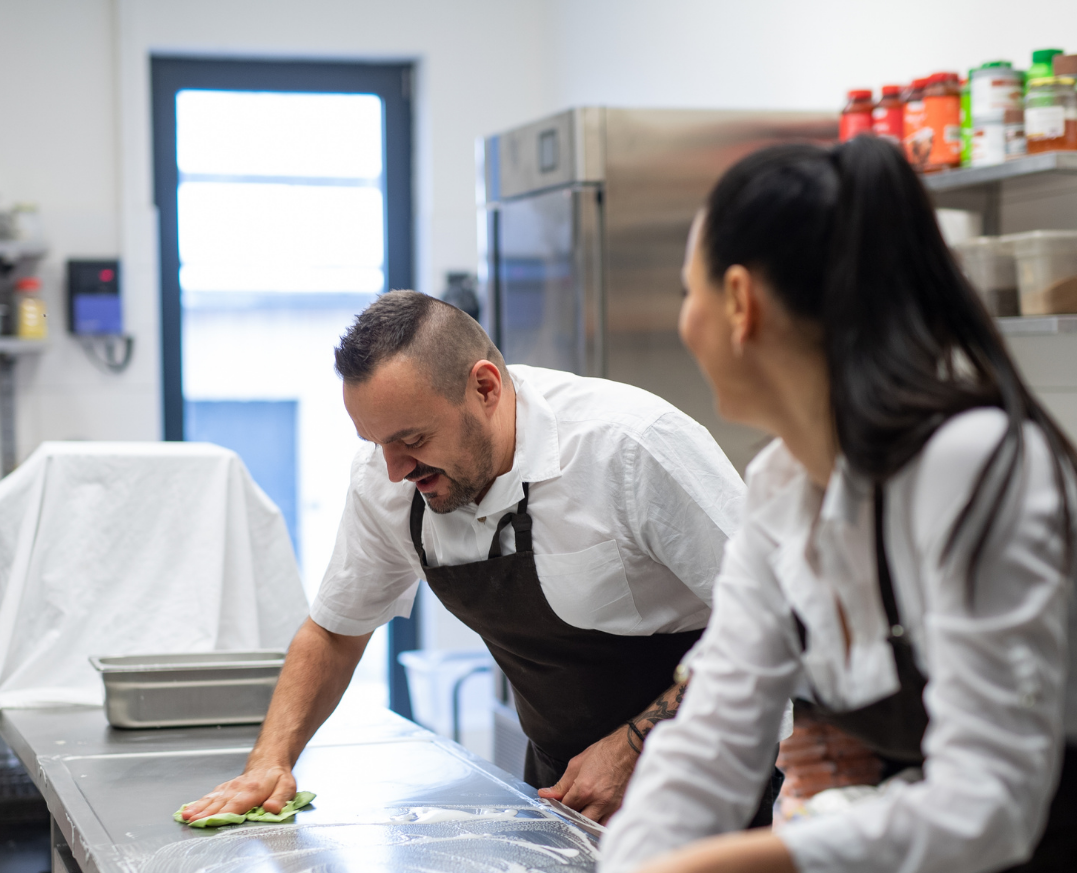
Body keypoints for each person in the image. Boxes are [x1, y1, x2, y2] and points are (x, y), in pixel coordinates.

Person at [523, 134, 1077, 873]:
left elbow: (988, 801)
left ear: (739, 304)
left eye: (690, 291)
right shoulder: (784, 488)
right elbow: (711, 740)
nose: (685, 317)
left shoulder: (978, 464)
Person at [182, 289, 757, 826]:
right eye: (377, 444)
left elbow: (773, 621)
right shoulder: (389, 482)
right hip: (567, 788)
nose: (395, 470)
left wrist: (636, 746)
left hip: (714, 773)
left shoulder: (629, 447)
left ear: (485, 389)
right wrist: (270, 761)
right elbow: (335, 632)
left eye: (412, 440)